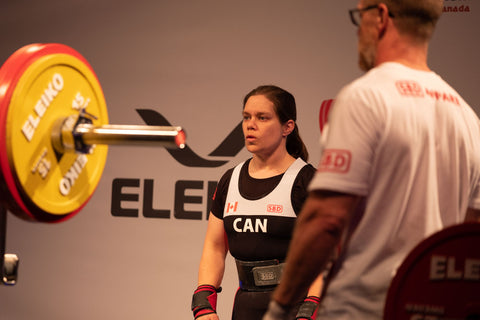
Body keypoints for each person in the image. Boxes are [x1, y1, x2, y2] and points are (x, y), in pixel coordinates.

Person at [263, 0, 480, 319]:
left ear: (380, 17)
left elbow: (327, 219)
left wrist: (279, 309)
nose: (358, 32)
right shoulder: (467, 117)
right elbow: (467, 236)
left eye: (359, 16)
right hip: (431, 310)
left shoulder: (366, 97)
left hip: (362, 308)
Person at [191, 85, 324, 320]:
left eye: (262, 118)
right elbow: (215, 247)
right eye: (246, 117)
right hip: (245, 307)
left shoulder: (307, 182)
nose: (250, 125)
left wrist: (310, 309)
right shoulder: (229, 180)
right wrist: (204, 303)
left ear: (287, 127)